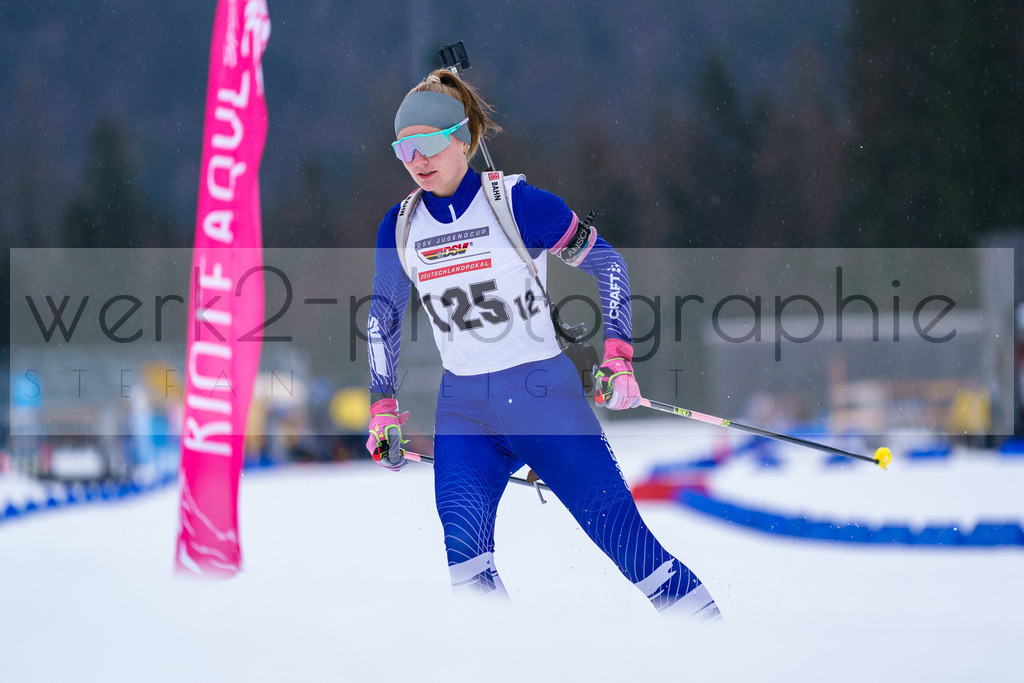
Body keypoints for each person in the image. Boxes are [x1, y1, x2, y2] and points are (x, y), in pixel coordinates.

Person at [366, 69, 721, 620]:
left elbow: (610, 265)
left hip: (543, 399)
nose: (416, 160)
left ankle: (725, 656)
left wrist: (619, 357)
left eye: (428, 144)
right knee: (465, 562)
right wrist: (382, 409)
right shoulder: (401, 225)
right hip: (464, 413)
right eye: (403, 148)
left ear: (462, 139)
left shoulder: (517, 204)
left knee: (632, 551)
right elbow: (382, 319)